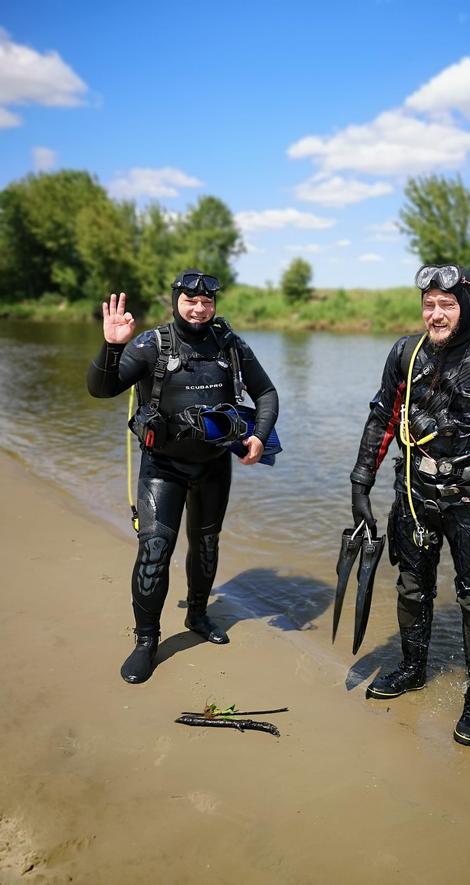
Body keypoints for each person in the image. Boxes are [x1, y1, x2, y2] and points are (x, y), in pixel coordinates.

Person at [349, 264, 470, 745]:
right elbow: (382, 416)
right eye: (429, 305)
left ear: (468, 304)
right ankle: (413, 668)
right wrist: (360, 482)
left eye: (447, 305)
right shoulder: (406, 353)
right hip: (413, 493)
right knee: (412, 587)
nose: (436, 315)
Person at [87, 270, 279, 684]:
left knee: (206, 544)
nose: (198, 308)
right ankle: (146, 640)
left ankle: (197, 614)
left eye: (206, 301)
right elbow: (101, 390)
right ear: (176, 300)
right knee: (155, 550)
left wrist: (259, 437)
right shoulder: (151, 345)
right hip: (163, 467)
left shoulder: (228, 345)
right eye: (190, 300)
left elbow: (266, 393)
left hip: (214, 465)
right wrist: (111, 346)